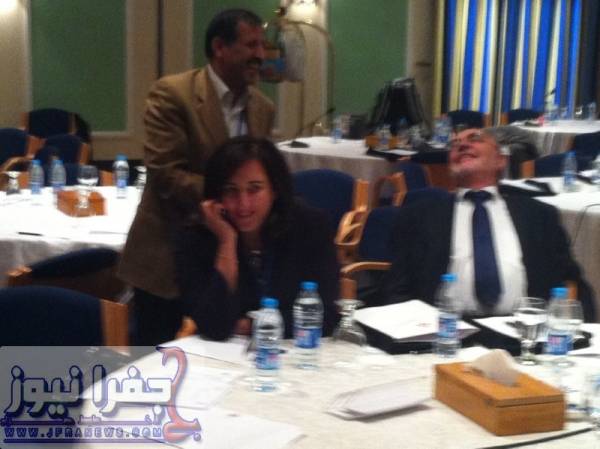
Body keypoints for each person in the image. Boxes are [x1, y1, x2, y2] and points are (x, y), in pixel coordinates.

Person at [118, 9, 275, 345]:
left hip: (229, 259)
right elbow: (166, 173)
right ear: (219, 47)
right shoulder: (173, 94)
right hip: (166, 258)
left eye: (262, 46)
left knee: (222, 351)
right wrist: (235, 197)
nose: (261, 55)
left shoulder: (263, 108)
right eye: (251, 45)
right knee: (158, 360)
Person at [377, 127, 596, 322]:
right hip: (445, 331)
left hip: (523, 331)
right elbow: (396, 288)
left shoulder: (539, 215)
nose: (462, 145)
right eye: (455, 144)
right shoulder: (419, 215)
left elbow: (572, 282)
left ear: (501, 160)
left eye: (475, 139)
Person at [174, 136, 340, 341]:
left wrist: (251, 325)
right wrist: (227, 241)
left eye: (254, 189)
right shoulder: (196, 237)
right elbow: (214, 327)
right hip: (220, 356)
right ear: (216, 196)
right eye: (231, 191)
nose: (243, 204)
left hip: (297, 350)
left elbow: (325, 317)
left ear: (274, 190)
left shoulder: (310, 226)